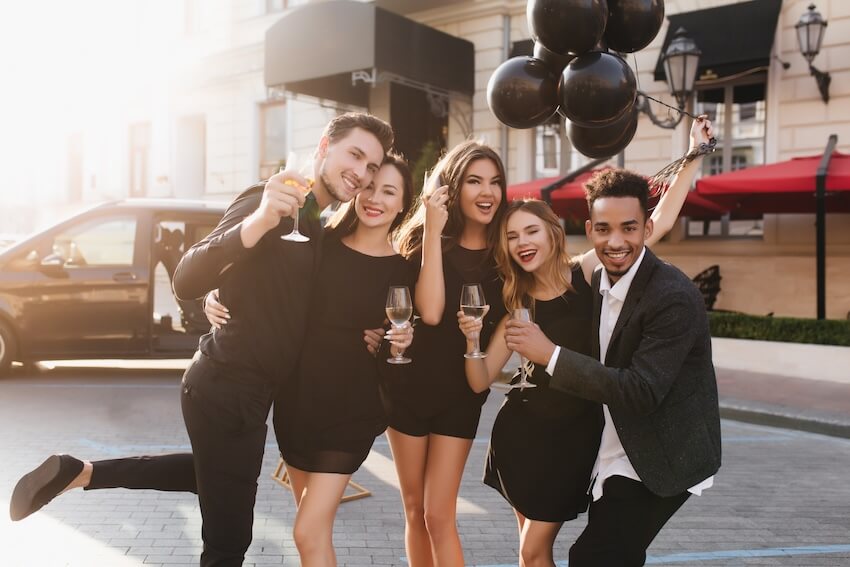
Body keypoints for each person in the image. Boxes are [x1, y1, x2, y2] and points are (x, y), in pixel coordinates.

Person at [9, 112, 394, 567]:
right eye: (355, 155)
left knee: (215, 476)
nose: (362, 172)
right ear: (324, 147)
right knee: (228, 543)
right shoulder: (266, 200)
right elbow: (187, 277)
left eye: (372, 166)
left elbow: (304, 303)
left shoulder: (315, 224)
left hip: (251, 396)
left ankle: (79, 472)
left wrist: (376, 331)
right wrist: (257, 222)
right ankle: (81, 473)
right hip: (225, 386)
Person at [454, 113, 713, 567]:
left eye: (531, 231)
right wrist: (472, 340)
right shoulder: (517, 305)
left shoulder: (587, 271)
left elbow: (655, 223)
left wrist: (693, 155)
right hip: (521, 438)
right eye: (511, 236)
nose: (522, 242)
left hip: (573, 440)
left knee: (533, 551)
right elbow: (479, 381)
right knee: (530, 555)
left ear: (553, 232)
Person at [205, 154, 417, 566]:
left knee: (305, 531)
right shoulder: (321, 242)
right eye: (369, 187)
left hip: (352, 412)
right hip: (296, 403)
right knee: (312, 536)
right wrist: (214, 295)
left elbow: (406, 336)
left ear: (402, 204)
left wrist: (398, 343)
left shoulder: (404, 270)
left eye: (389, 191)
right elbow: (263, 280)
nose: (375, 198)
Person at [384, 140, 508, 567]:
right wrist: (434, 233)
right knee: (414, 509)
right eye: (474, 181)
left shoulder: (506, 254)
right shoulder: (421, 243)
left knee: (439, 514)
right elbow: (432, 312)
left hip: (461, 395)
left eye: (495, 182)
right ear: (451, 189)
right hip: (408, 388)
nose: (487, 192)